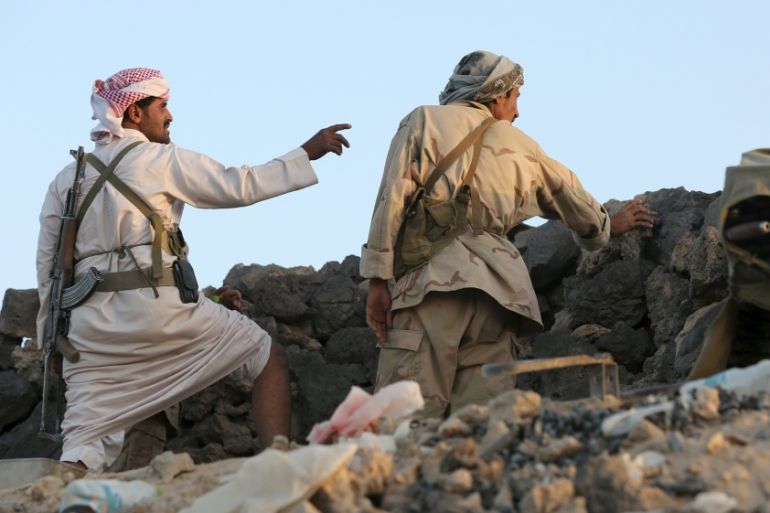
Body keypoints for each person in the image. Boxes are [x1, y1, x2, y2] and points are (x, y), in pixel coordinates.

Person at [36, 67, 350, 471]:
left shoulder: (67, 178)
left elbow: (49, 268)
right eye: (162, 106)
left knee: (84, 442)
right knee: (264, 356)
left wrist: (50, 342)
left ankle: (54, 496)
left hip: (91, 331)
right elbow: (239, 184)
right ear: (134, 113)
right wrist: (305, 152)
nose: (170, 116)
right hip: (158, 314)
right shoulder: (159, 159)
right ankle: (279, 468)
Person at [361, 50, 652, 418]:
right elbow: (581, 208)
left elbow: (391, 201)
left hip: (430, 287)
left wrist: (377, 280)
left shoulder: (424, 121)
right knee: (480, 427)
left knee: (403, 421)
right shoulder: (524, 147)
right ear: (497, 96)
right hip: (500, 300)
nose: (517, 112)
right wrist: (611, 225)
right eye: (515, 98)